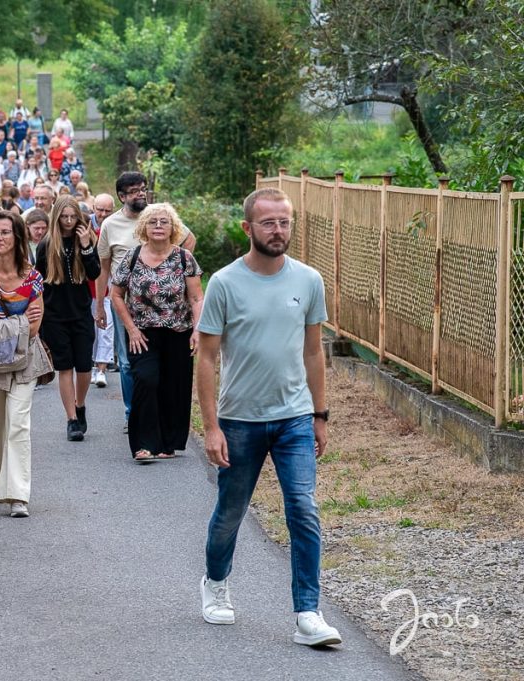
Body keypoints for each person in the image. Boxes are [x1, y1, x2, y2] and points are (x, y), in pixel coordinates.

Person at [196, 186, 340, 647]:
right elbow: (206, 357)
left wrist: (320, 414)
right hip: (239, 421)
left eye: (284, 222)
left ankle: (307, 613)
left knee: (304, 508)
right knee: (231, 512)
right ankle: (215, 583)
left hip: (295, 417)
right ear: (248, 228)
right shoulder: (224, 283)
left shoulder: (308, 280)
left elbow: (314, 350)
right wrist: (211, 425)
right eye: (268, 223)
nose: (278, 231)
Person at [96, 172, 195, 433]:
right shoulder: (110, 225)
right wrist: (99, 305)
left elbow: (188, 239)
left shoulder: (157, 216)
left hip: (164, 306)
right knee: (128, 361)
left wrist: (173, 271)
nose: (141, 193)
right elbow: (103, 269)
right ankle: (133, 413)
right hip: (125, 303)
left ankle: (157, 412)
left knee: (160, 361)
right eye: (134, 191)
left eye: (143, 189)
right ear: (122, 196)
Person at [0, 211, 50, 518]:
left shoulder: (33, 278)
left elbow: (34, 327)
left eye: (5, 232)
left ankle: (18, 495)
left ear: (18, 237)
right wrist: (15, 322)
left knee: (18, 423)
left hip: (24, 361)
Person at [110, 204, 203, 461]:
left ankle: (167, 443)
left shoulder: (185, 257)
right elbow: (116, 294)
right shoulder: (132, 256)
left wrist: (197, 330)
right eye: (153, 222)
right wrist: (130, 328)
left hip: (178, 331)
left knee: (173, 386)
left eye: (164, 222)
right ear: (144, 228)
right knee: (146, 379)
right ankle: (143, 444)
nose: (159, 226)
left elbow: (196, 298)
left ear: (173, 228)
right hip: (143, 334)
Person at [35, 196, 100, 441]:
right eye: (65, 217)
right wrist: (38, 319)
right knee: (65, 367)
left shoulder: (85, 239)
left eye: (73, 217)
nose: (69, 221)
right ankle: (71, 419)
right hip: (54, 315)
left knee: (84, 366)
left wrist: (86, 246)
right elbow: (38, 283)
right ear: (57, 217)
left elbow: (94, 273)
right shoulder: (46, 244)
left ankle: (80, 404)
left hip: (81, 313)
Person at [89, 193, 116, 386]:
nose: (103, 214)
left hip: (109, 288)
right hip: (87, 288)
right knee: (90, 330)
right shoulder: (84, 227)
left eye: (107, 210)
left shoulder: (115, 227)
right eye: (100, 209)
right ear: (93, 208)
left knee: (106, 329)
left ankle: (101, 369)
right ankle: (90, 366)